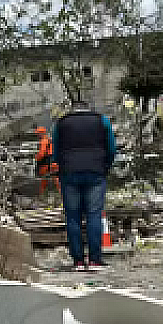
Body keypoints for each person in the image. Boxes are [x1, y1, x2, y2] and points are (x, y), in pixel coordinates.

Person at [52, 100, 117, 272]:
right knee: (94, 215)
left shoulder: (61, 123)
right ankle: (95, 260)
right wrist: (105, 166)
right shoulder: (102, 120)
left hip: (69, 173)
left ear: (72, 110)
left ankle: (78, 261)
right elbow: (111, 148)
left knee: (72, 217)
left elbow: (55, 152)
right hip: (96, 172)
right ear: (89, 108)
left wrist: (62, 166)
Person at [34, 126, 59, 194]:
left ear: (41, 133)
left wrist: (36, 159)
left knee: (44, 179)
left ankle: (42, 194)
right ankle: (62, 195)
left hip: (46, 162)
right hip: (54, 161)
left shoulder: (43, 141)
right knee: (56, 178)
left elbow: (42, 154)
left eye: (38, 133)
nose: (37, 135)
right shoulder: (49, 139)